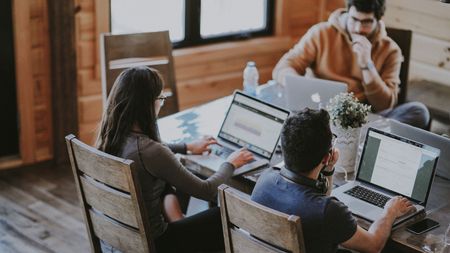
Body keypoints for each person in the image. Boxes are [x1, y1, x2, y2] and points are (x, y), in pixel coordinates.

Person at [96, 66, 254, 253]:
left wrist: (187, 147)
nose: (161, 104)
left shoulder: (110, 137)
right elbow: (206, 190)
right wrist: (231, 163)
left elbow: (151, 153)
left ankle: (180, 221)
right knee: (227, 215)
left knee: (167, 184)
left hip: (115, 240)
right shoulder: (151, 152)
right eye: (161, 99)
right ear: (147, 104)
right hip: (156, 245)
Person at [251, 108, 415, 253]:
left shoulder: (264, 179)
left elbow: (319, 199)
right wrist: (390, 211)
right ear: (326, 157)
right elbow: (374, 245)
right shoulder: (328, 211)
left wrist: (328, 169)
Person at [273, 0, 430, 129]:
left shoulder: (391, 50)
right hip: (321, 112)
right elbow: (283, 67)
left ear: (378, 20)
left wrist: (367, 65)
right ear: (348, 12)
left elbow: (385, 105)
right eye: (354, 19)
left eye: (367, 22)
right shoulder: (320, 33)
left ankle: (360, 138)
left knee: (419, 111)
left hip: (364, 119)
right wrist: (301, 86)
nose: (358, 29)